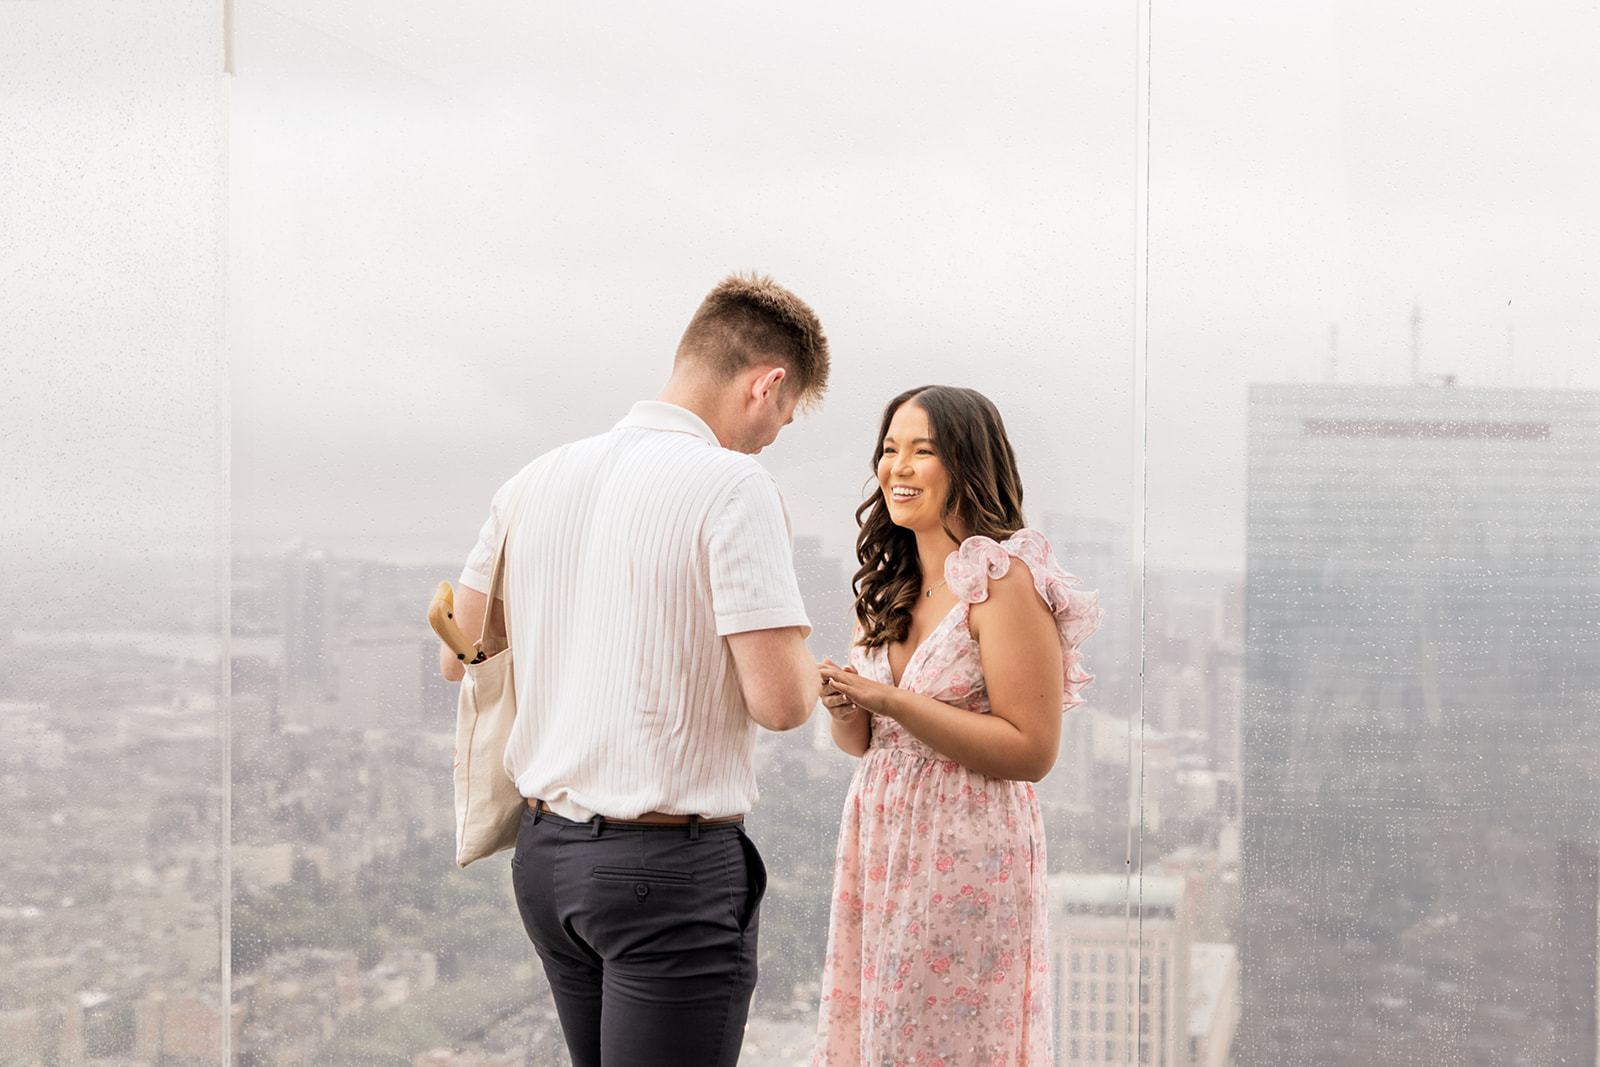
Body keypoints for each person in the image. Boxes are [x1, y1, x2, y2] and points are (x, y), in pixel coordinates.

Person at [439, 272, 829, 1067]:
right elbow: (783, 702)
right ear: (768, 383)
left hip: (548, 864)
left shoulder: (535, 478)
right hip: (664, 876)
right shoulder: (734, 485)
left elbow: (460, 654)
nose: (768, 441)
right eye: (781, 422)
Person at [813, 385, 1100, 1066]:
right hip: (880, 838)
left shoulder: (1002, 581)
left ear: (967, 464)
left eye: (922, 450)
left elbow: (1032, 749)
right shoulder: (889, 584)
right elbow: (865, 746)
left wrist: (893, 703)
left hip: (968, 847)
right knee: (882, 1034)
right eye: (889, 450)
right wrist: (848, 706)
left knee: (949, 1039)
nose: (898, 467)